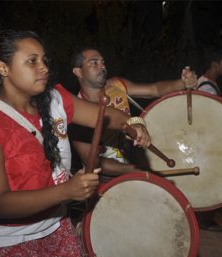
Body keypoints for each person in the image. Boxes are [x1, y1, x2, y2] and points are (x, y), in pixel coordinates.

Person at [0, 30, 150, 257]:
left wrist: (135, 124)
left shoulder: (55, 99)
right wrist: (67, 191)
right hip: (5, 243)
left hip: (56, 227)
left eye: (44, 60)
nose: (43, 67)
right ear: (3, 68)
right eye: (32, 61)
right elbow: (0, 204)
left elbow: (106, 116)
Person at [69, 47, 197, 176]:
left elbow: (155, 89)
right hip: (109, 179)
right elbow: (95, 162)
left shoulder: (116, 85)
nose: (102, 66)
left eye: (103, 62)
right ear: (78, 72)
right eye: (94, 62)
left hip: (138, 158)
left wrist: (182, 83)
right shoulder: (76, 113)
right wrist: (136, 170)